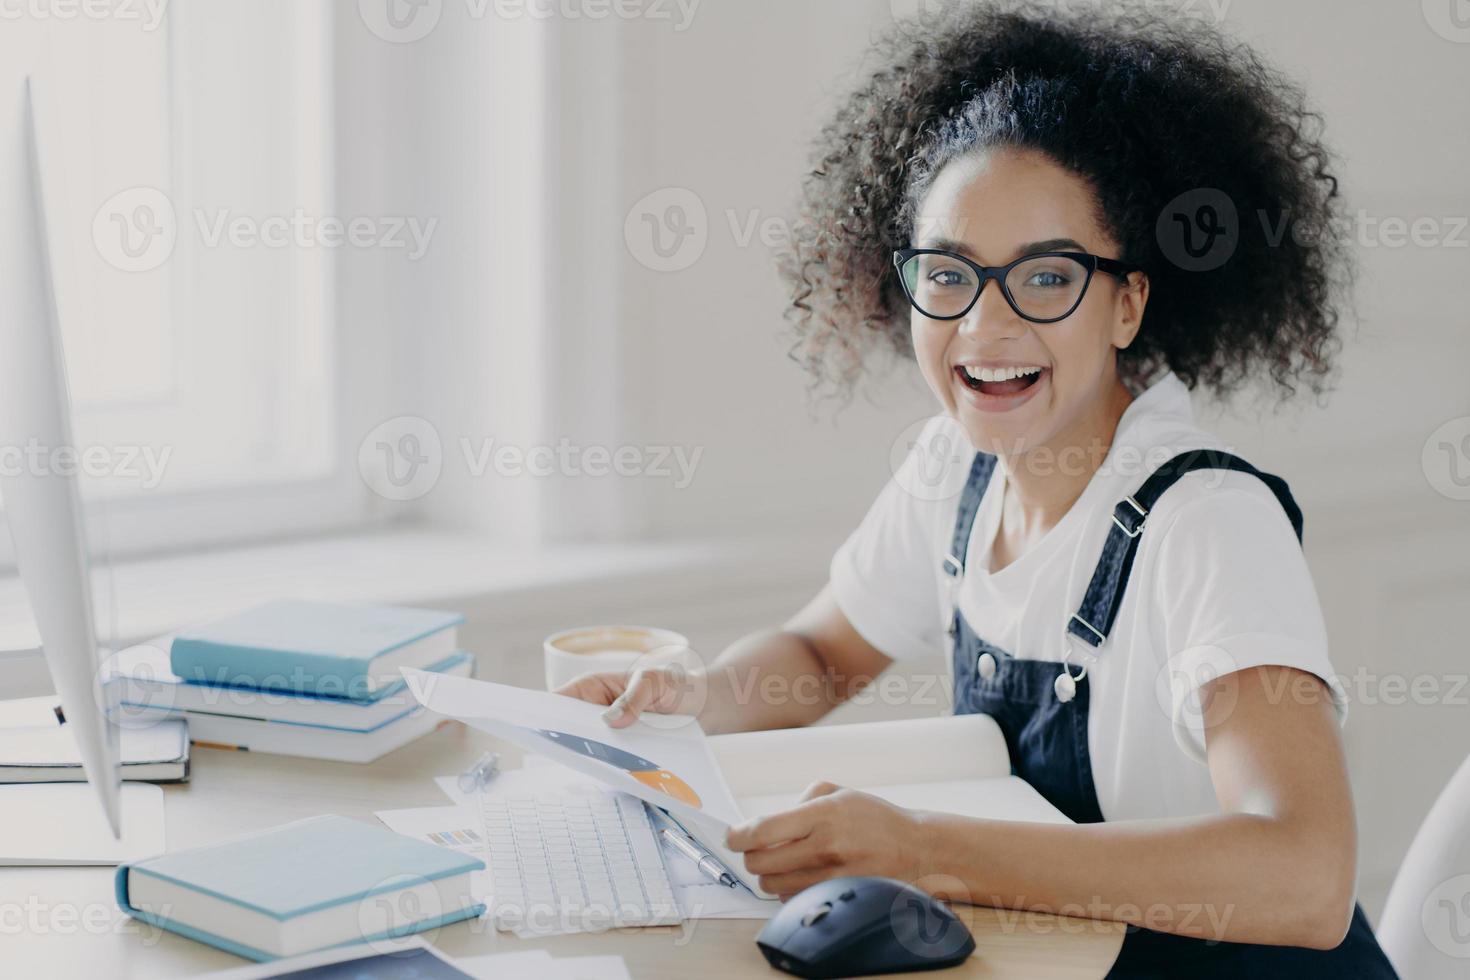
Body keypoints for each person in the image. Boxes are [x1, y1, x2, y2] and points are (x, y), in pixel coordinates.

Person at [558, 3, 1397, 974]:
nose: (985, 326)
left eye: (1045, 278)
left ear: (1128, 303)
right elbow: (820, 654)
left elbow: (1306, 873)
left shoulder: (1207, 523)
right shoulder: (953, 470)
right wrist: (690, 699)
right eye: (948, 275)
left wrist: (925, 849)